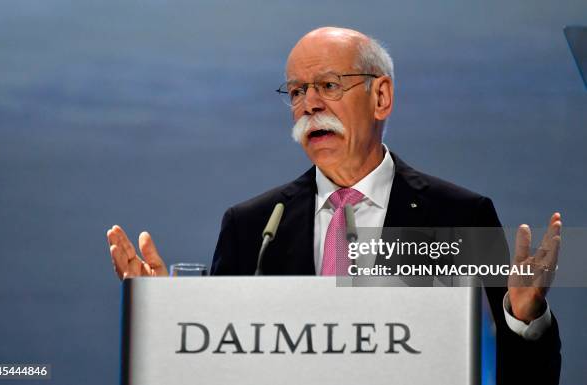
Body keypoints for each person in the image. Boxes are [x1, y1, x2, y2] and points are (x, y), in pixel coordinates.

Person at [106, 27, 561, 384]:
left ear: (381, 97)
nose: (309, 105)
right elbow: (218, 368)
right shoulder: (252, 227)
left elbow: (521, 379)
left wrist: (523, 321)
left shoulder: (459, 216)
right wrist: (164, 321)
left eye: (327, 84)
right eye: (297, 91)